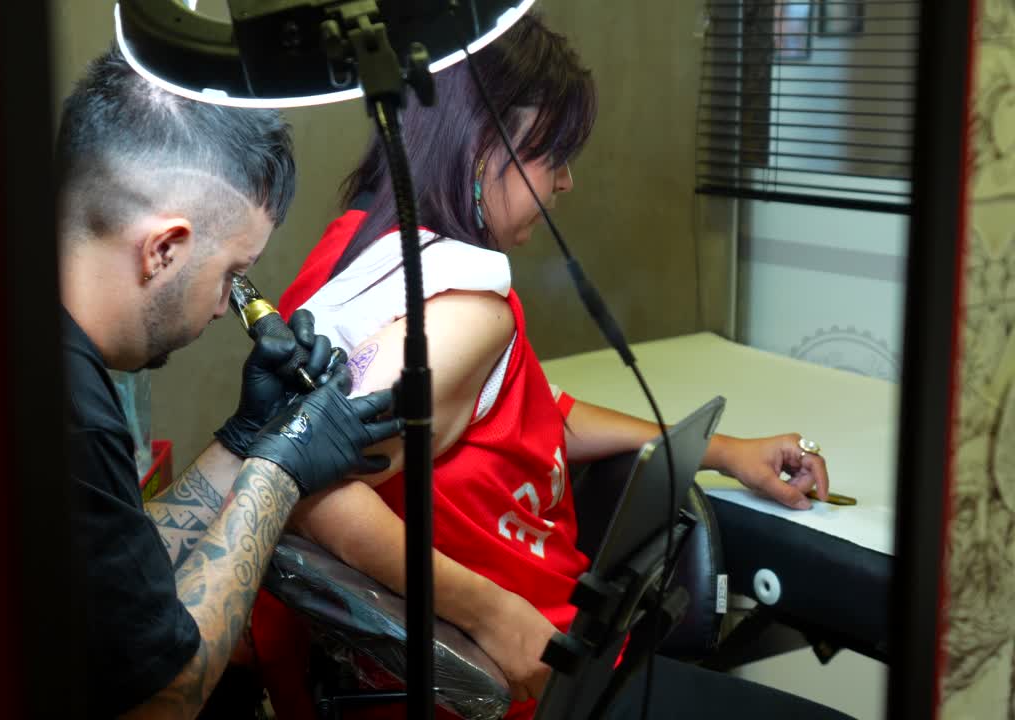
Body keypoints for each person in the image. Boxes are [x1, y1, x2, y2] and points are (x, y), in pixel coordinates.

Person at [252, 14, 853, 720]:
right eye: (552, 154)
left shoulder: (360, 244)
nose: (565, 181)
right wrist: (492, 616)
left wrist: (726, 452)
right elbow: (306, 486)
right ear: (484, 144)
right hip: (523, 681)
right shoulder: (464, 311)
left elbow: (533, 411)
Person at [57, 48, 404, 719]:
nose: (225, 308)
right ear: (164, 249)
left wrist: (246, 439)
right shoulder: (73, 412)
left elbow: (119, 585)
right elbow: (165, 697)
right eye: (231, 273)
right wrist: (278, 476)